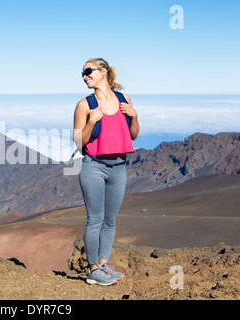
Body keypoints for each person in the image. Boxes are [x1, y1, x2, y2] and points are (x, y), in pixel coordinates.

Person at [73, 58, 140, 286]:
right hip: (94, 166)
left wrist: (135, 115)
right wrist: (91, 123)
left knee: (110, 220)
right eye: (82, 73)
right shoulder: (85, 105)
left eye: (88, 71)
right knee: (95, 219)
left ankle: (103, 263)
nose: (84, 76)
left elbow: (134, 135)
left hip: (119, 166)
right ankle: (93, 270)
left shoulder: (124, 100)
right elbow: (78, 143)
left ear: (103, 72)